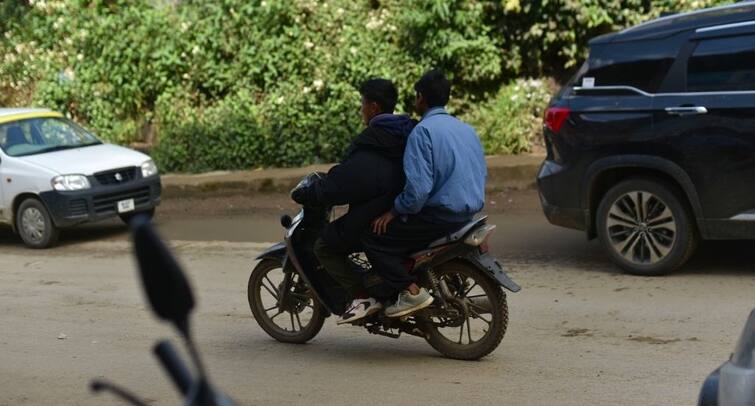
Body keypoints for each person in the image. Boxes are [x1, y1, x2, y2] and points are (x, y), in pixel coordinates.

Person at [363, 69, 488, 318]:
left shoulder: (422, 132)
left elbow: (418, 192)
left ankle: (410, 291)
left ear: (421, 98)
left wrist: (393, 211)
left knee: (373, 237)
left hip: (437, 218)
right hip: (468, 215)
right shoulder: (466, 129)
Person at [291, 78, 415, 324]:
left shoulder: (374, 141)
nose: (361, 109)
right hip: (401, 210)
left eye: (363, 104)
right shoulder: (407, 132)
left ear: (374, 107)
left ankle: (363, 296)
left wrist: (314, 192)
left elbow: (349, 180)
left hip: (377, 214)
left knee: (323, 246)